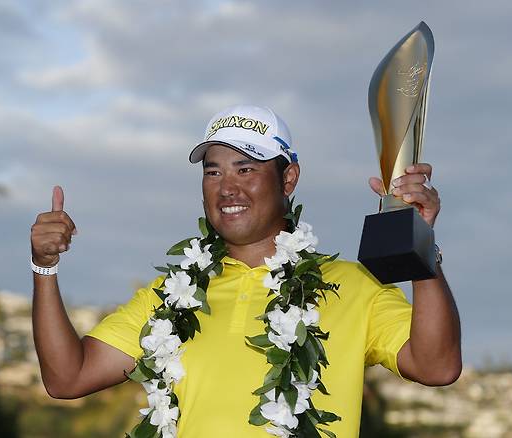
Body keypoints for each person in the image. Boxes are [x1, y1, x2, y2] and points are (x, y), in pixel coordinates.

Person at [30, 104, 461, 437]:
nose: (227, 188)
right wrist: (44, 269)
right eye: (213, 171)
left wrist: (421, 246)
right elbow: (68, 378)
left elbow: (436, 367)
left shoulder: (353, 286)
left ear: (288, 179)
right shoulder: (168, 298)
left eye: (246, 168)